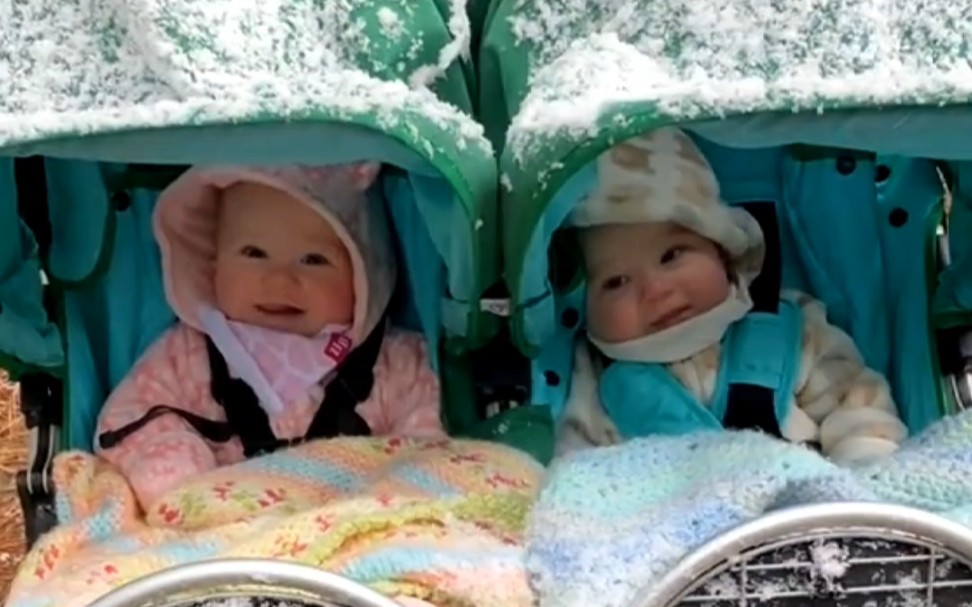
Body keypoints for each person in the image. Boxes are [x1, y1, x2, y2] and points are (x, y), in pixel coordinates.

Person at [95, 163, 443, 510]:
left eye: (313, 259)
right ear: (213, 266)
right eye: (254, 253)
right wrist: (173, 458)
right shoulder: (187, 354)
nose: (279, 280)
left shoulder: (398, 363)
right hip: (219, 526)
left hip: (349, 522)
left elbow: (430, 443)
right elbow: (126, 420)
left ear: (363, 272)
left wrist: (392, 488)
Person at [556, 127, 908, 464]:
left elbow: (857, 407)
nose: (656, 291)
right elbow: (580, 470)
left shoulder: (793, 332)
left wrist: (864, 468)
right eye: (616, 282)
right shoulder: (590, 380)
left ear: (724, 251)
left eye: (671, 256)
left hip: (804, 497)